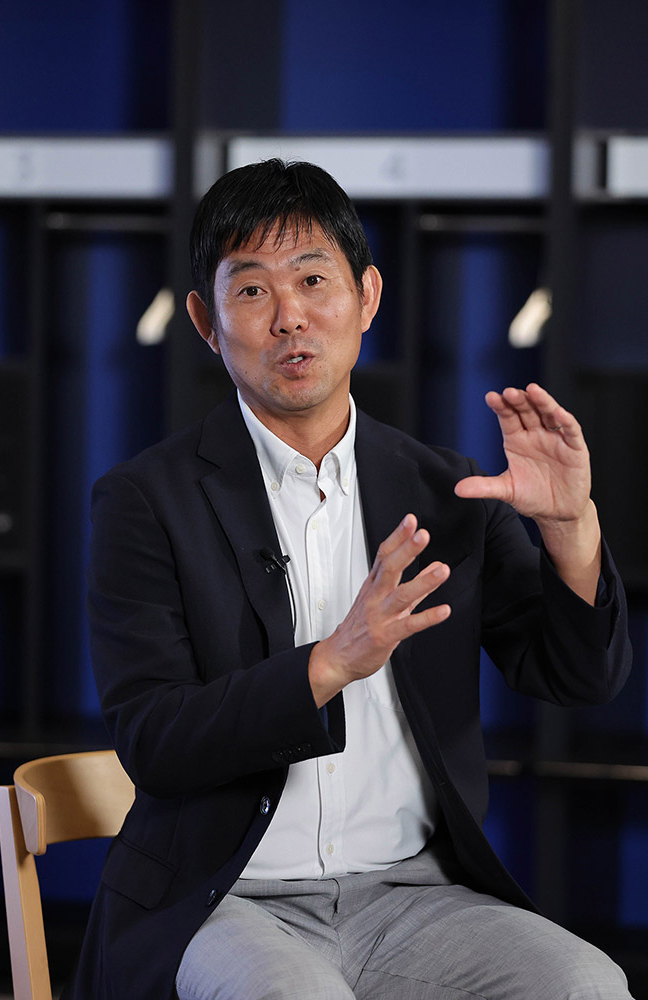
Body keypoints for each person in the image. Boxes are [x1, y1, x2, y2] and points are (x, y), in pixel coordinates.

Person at [64, 159, 633, 1000]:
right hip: (223, 898)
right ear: (205, 323)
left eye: (313, 279)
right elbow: (154, 740)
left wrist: (568, 527)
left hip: (413, 895)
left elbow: (577, 677)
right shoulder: (145, 500)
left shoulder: (446, 491)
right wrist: (328, 664)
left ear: (366, 297)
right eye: (250, 290)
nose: (289, 316)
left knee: (586, 984)